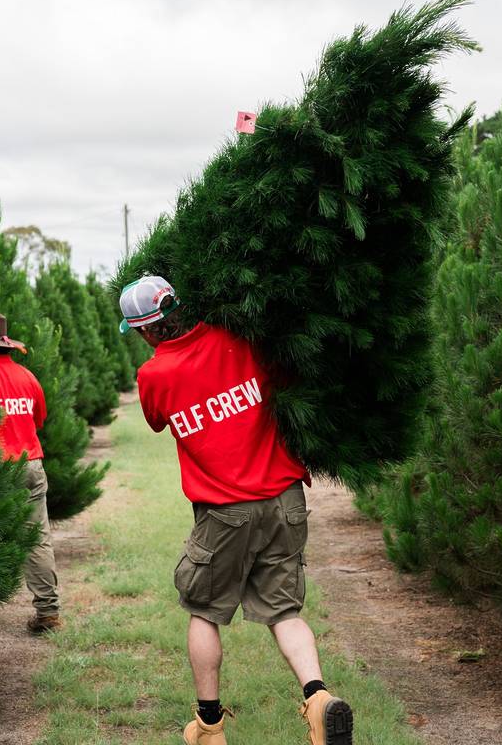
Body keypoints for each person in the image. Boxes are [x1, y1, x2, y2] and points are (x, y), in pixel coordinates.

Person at [119, 276, 353, 745]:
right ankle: (319, 699)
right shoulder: (239, 337)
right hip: (286, 499)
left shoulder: (154, 375)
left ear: (146, 331)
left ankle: (209, 727)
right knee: (285, 610)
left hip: (225, 511)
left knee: (204, 610)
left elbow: (157, 420)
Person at [0, 311, 61, 634]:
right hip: (30, 464)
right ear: (6, 345)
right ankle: (48, 612)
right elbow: (38, 420)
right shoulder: (27, 377)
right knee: (37, 538)